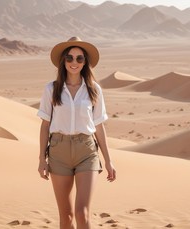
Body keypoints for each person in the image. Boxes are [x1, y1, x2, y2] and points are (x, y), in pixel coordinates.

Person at [37, 37, 116, 229]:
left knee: (82, 214)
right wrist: (41, 159)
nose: (74, 63)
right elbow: (45, 125)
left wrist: (108, 160)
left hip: (86, 151)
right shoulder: (51, 89)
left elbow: (99, 126)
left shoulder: (94, 89)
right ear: (63, 61)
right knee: (67, 217)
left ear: (85, 62)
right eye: (70, 58)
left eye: (79, 59)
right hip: (58, 152)